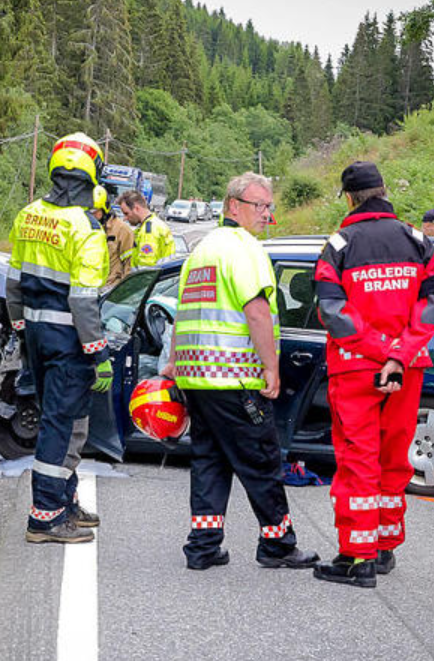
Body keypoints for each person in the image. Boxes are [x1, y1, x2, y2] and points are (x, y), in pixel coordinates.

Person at [162, 171, 319, 571]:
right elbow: (257, 311)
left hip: (197, 379)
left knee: (209, 462)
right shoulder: (245, 249)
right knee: (261, 461)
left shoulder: (201, 251)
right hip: (235, 379)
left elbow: (183, 314)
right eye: (259, 205)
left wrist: (174, 362)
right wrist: (271, 368)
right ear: (234, 205)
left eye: (269, 206)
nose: (267, 214)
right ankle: (277, 544)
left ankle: (203, 546)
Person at [312, 161, 434, 588]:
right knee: (393, 459)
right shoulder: (418, 240)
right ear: (384, 189)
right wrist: (399, 354)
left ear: (350, 198)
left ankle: (358, 558)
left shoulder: (339, 245)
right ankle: (385, 547)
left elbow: (332, 310)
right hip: (406, 369)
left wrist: (380, 351)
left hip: (357, 368)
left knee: (358, 461)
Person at [6, 132, 113, 544]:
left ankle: (65, 502)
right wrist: (99, 353)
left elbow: (13, 284)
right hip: (69, 340)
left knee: (69, 421)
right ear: (93, 175)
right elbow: (83, 301)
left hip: (36, 335)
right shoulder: (86, 228)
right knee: (61, 425)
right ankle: (46, 516)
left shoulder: (29, 214)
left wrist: (22, 330)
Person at [118, 190, 174, 268]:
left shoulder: (148, 232)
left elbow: (145, 268)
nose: (125, 218)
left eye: (126, 213)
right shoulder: (156, 224)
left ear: (136, 208)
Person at [93, 186, 133, 286]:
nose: (91, 215)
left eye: (95, 211)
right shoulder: (86, 228)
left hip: (110, 287)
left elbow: (129, 265)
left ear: (104, 208)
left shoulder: (122, 230)